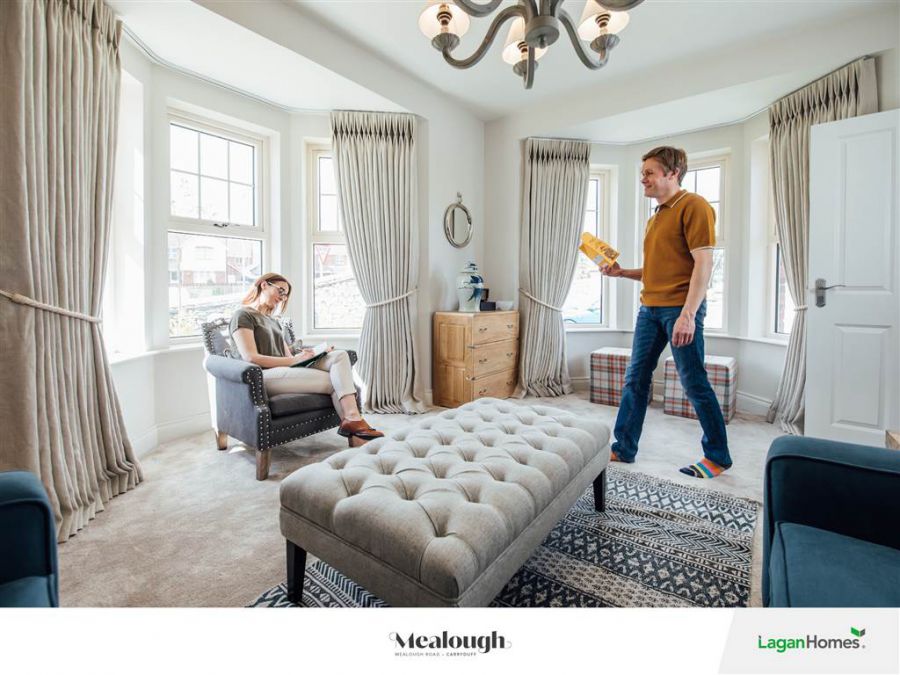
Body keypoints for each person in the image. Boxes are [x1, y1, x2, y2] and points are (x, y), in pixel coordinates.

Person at [601, 146, 732, 479]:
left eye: (649, 172)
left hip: (679, 309)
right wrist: (622, 273)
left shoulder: (694, 206)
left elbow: (704, 264)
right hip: (649, 309)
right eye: (642, 173)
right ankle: (623, 448)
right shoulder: (656, 216)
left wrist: (688, 314)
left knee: (693, 381)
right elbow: (656, 270)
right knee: (635, 379)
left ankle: (718, 456)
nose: (642, 179)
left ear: (672, 173)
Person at [229, 273, 383, 443]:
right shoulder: (243, 315)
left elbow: (288, 357)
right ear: (264, 285)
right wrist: (294, 361)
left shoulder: (273, 321)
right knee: (337, 381)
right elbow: (251, 357)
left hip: (284, 371)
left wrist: (311, 355)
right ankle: (356, 430)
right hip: (262, 376)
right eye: (281, 291)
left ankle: (354, 424)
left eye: (285, 295)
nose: (282, 298)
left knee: (339, 356)